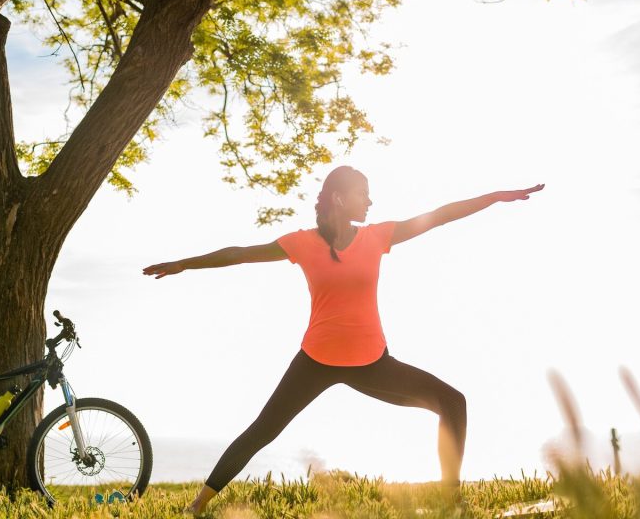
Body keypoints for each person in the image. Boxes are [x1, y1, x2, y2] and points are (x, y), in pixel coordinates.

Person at [142, 166, 544, 515]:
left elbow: (439, 216)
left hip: (371, 362)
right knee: (263, 429)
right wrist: (184, 264)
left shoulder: (377, 237)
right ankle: (198, 504)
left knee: (453, 402)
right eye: (362, 193)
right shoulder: (302, 243)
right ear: (338, 197)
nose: (370, 201)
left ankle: (450, 500)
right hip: (316, 360)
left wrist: (494, 197)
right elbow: (241, 254)